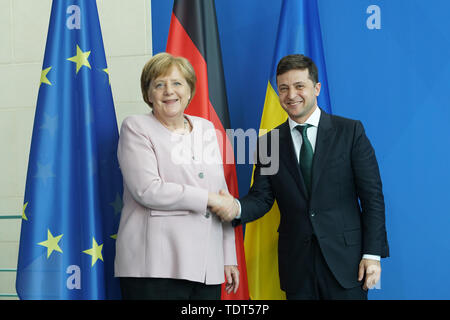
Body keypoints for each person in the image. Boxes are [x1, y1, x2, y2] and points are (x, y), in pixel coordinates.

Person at [211, 54, 389, 300]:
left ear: (316, 88)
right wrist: (236, 207)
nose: (290, 95)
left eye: (299, 86)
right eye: (283, 88)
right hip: (297, 267)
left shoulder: (350, 132)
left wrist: (372, 254)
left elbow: (372, 198)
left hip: (347, 264)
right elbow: (262, 198)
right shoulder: (268, 143)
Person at [114, 52, 239, 300]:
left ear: (190, 91)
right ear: (148, 95)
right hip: (155, 269)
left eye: (177, 83)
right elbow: (148, 190)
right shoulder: (136, 127)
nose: (169, 91)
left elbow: (221, 195)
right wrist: (209, 199)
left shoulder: (205, 129)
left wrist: (227, 256)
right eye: (159, 84)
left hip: (206, 267)